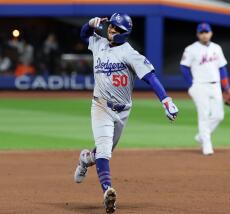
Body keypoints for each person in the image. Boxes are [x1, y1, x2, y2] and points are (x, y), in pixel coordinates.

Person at [73, 13, 179, 214]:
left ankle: (85, 159)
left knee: (100, 153)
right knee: (104, 151)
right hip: (100, 106)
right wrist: (89, 23)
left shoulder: (130, 54)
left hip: (123, 111)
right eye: (111, 26)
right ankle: (108, 192)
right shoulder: (99, 43)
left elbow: (151, 78)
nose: (112, 30)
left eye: (117, 29)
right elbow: (84, 34)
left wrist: (166, 101)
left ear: (125, 33)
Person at [180, 22, 230, 156]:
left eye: (206, 32)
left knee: (219, 115)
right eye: (202, 32)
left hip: (215, 85)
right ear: (198, 34)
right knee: (204, 115)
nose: (204, 34)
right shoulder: (191, 49)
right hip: (199, 85)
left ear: (211, 33)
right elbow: (184, 67)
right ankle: (207, 145)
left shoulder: (217, 48)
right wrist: (191, 84)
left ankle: (202, 136)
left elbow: (222, 68)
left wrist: (227, 87)